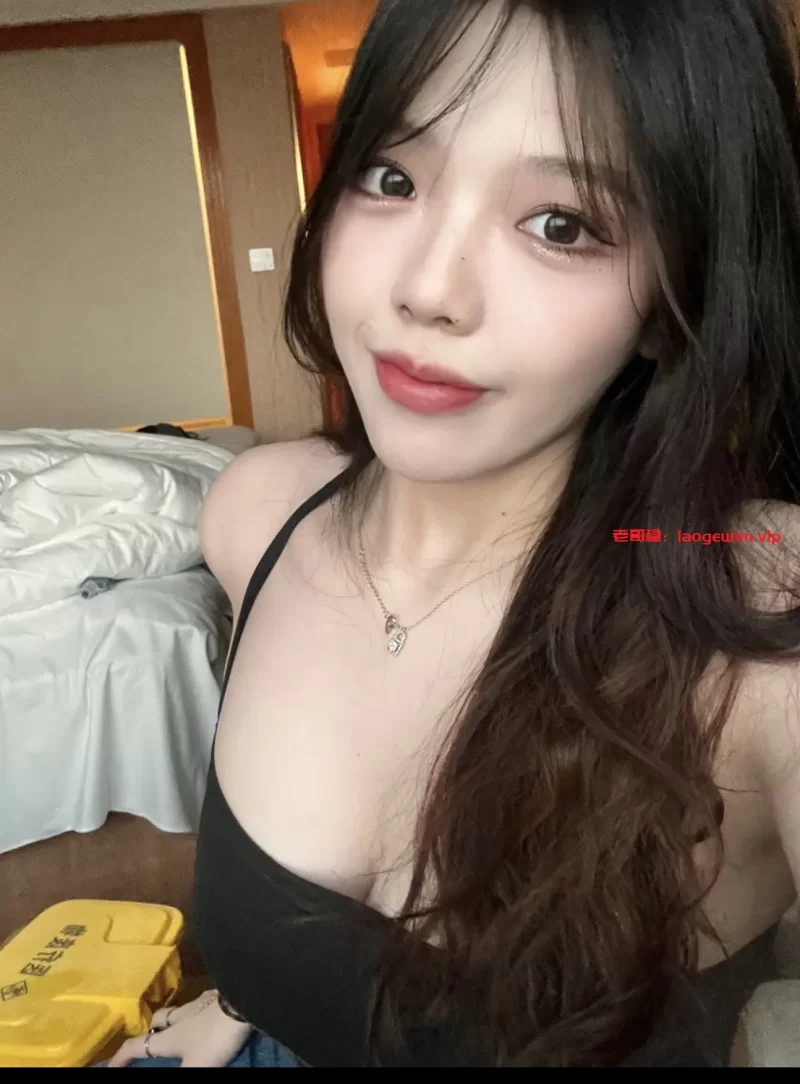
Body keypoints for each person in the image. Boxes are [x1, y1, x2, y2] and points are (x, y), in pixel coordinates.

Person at [107, 0, 800, 1068]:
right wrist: (246, 998)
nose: (427, 290)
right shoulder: (257, 516)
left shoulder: (760, 609)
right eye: (392, 178)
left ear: (678, 294)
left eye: (560, 224)